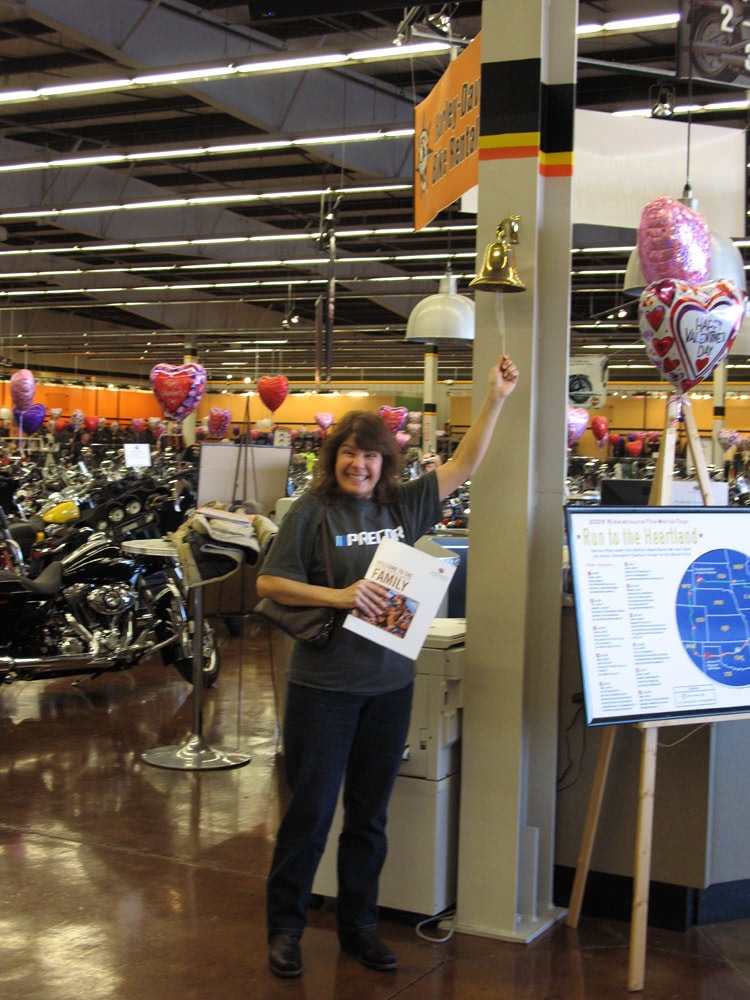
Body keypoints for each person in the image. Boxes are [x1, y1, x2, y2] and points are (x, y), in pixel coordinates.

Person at [257, 353, 519, 979]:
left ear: (385, 462)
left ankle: (360, 928)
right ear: (333, 458)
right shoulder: (311, 512)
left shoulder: (400, 507)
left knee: (370, 818)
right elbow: (269, 581)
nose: (360, 464)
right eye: (349, 453)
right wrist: (339, 596)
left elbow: (464, 465)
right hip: (323, 689)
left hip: (390, 687)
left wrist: (496, 398)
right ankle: (285, 930)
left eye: (371, 455)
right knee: (310, 814)